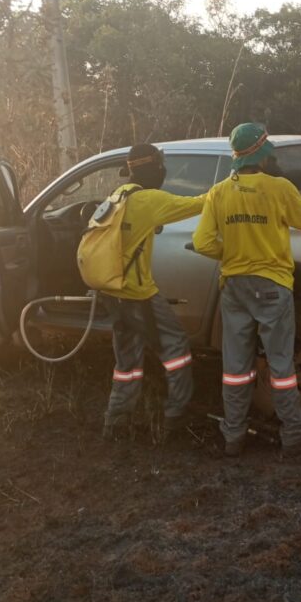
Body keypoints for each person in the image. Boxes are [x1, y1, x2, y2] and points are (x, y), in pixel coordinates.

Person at [192, 123, 301, 457]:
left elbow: (201, 242)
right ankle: (294, 437)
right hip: (272, 287)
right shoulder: (279, 189)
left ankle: (233, 437)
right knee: (282, 366)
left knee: (236, 368)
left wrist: (230, 253)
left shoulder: (220, 192)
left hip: (234, 288)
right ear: (261, 153)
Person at [99, 143, 206, 439]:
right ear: (153, 169)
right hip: (138, 293)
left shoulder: (117, 196)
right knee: (176, 345)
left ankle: (116, 421)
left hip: (112, 290)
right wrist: (230, 187)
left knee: (126, 360)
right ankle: (177, 413)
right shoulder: (150, 200)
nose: (163, 172)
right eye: (160, 167)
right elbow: (199, 204)